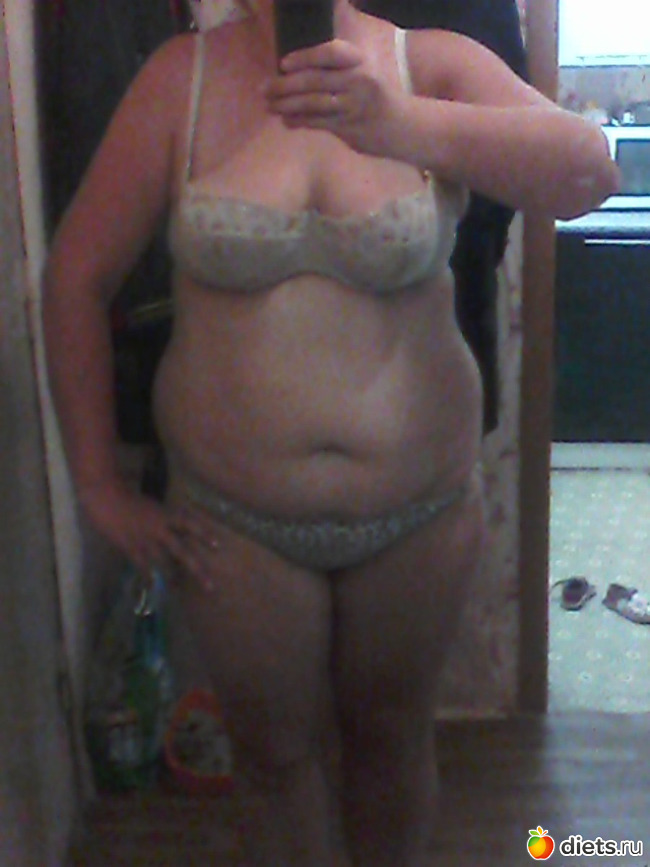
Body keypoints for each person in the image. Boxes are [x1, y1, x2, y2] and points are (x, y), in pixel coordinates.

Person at [41, 1, 618, 865]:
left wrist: (401, 124)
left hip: (419, 515)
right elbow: (76, 277)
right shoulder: (179, 80)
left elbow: (587, 173)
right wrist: (97, 484)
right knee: (274, 761)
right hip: (233, 524)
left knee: (392, 739)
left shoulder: (428, 63)